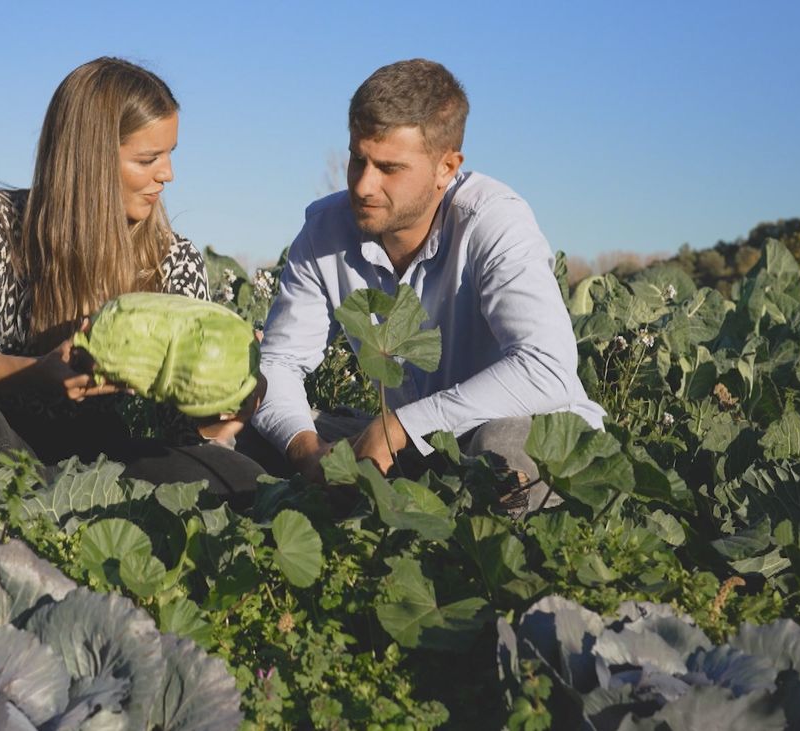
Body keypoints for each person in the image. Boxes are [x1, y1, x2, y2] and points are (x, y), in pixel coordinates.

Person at [244, 59, 606, 517]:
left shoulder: (494, 221)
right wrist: (305, 449)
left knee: (500, 450)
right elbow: (279, 361)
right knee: (252, 431)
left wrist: (400, 427)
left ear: (446, 167)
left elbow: (546, 368)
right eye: (358, 159)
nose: (363, 185)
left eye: (389, 168)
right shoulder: (324, 231)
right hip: (411, 443)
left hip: (521, 428)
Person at [0, 57, 264, 507]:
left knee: (237, 478)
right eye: (148, 159)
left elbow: (179, 433)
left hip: (110, 468)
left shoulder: (175, 259)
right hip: (4, 445)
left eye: (170, 154)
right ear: (90, 160)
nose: (167, 174)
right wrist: (35, 374)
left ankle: (41, 517)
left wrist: (227, 402)